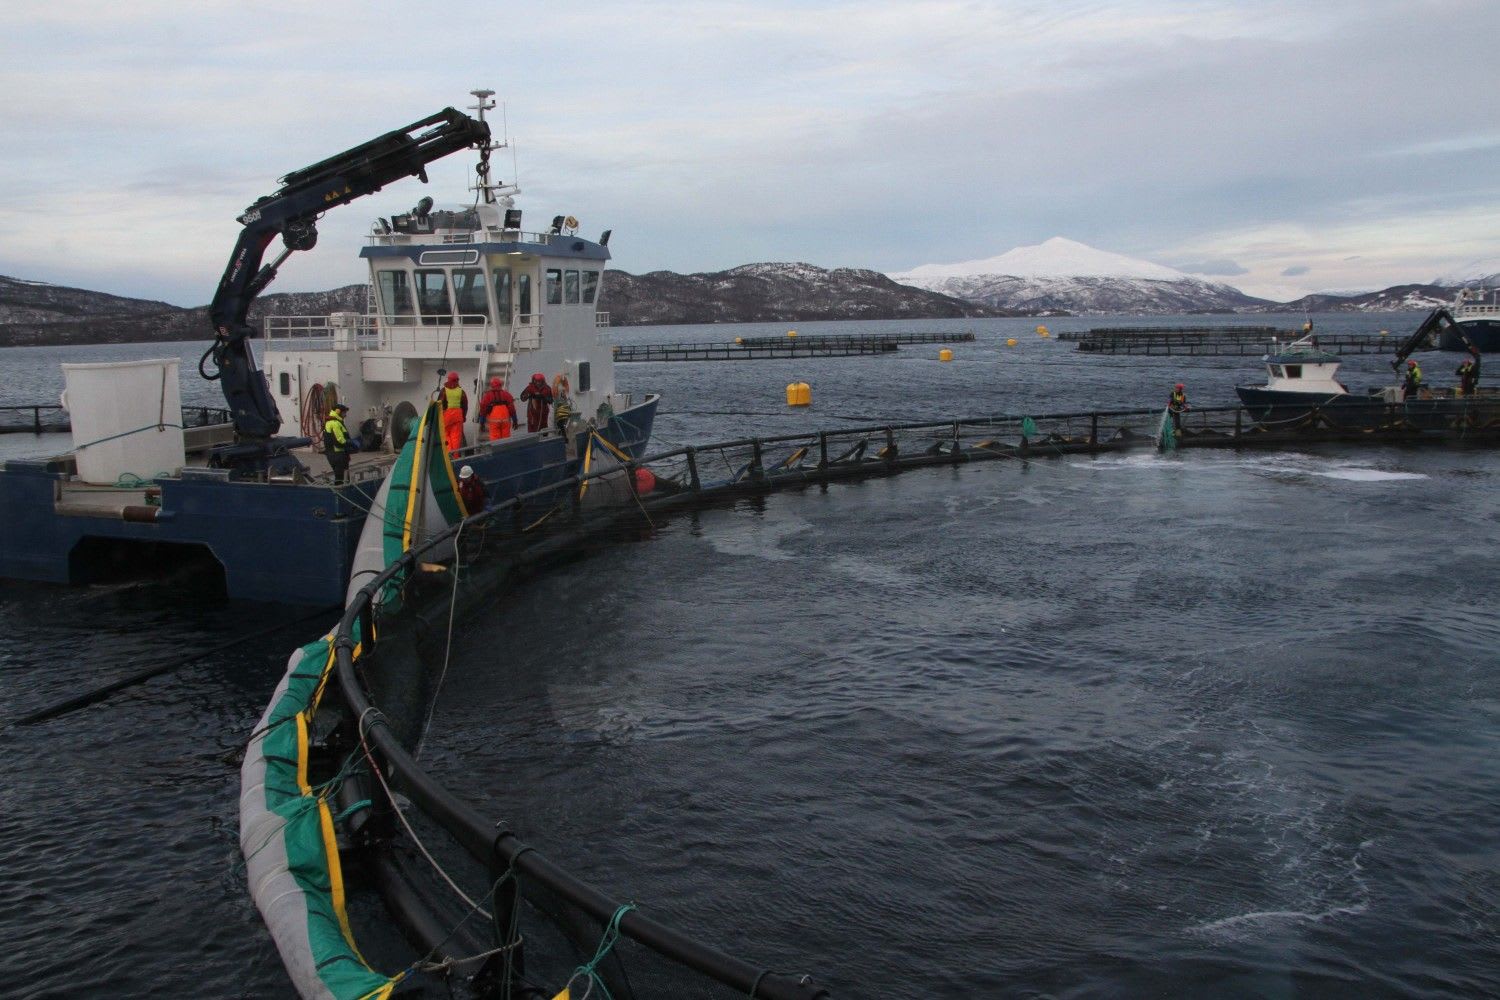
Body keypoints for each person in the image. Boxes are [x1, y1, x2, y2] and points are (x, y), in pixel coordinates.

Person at [476, 376, 518, 441]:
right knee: (506, 439)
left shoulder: (487, 396)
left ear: (491, 386)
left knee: (495, 440)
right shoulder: (506, 394)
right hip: (505, 421)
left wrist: (482, 423)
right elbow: (512, 409)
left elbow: (483, 410)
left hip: (494, 422)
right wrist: (515, 421)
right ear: (500, 385)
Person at [323, 402, 353, 485]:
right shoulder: (335, 423)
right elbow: (339, 440)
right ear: (338, 412)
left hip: (335, 453)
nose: (345, 415)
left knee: (342, 476)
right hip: (337, 454)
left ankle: (343, 489)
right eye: (344, 413)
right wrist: (351, 443)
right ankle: (341, 491)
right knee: (341, 478)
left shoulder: (333, 422)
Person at [439, 371, 468, 452]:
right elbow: (465, 405)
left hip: (446, 417)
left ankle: (448, 455)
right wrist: (464, 417)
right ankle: (455, 456)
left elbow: (439, 404)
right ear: (457, 380)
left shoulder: (443, 391)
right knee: (456, 438)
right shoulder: (461, 391)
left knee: (446, 435)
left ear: (448, 380)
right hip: (458, 417)